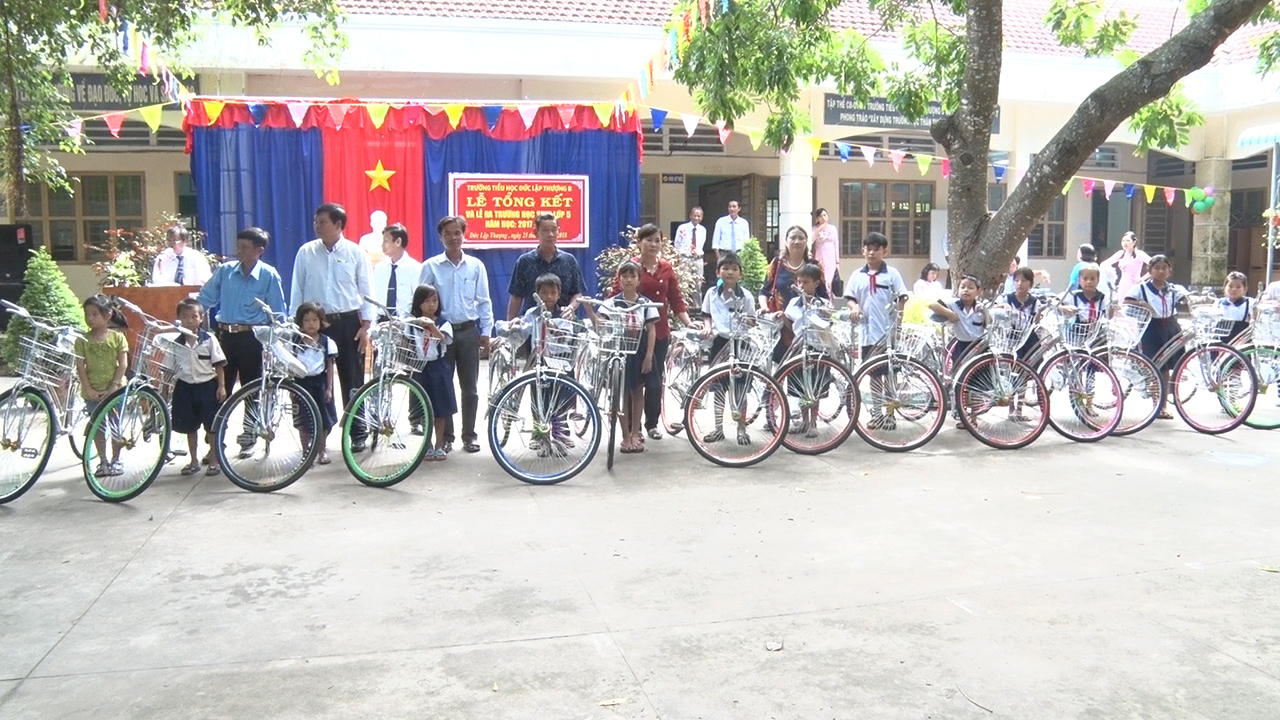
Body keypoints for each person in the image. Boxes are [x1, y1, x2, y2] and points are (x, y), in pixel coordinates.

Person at [196, 227, 287, 456]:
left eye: (245, 247)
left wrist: (277, 344)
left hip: (253, 339)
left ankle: (248, 438)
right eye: (238, 246)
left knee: (251, 390)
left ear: (259, 250)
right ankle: (216, 444)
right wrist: (190, 320)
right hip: (225, 337)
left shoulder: (268, 275)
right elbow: (205, 299)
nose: (240, 251)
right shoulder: (225, 271)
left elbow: (277, 313)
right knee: (219, 390)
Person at [292, 203, 375, 450]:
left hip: (347, 323)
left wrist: (366, 327)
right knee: (316, 381)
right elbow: (297, 289)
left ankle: (357, 432)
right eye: (315, 222)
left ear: (338, 225)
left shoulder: (356, 253)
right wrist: (295, 326)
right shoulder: (306, 252)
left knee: (353, 379)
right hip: (314, 326)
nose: (317, 226)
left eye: (322, 222)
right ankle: (319, 436)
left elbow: (367, 292)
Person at [419, 215, 493, 454]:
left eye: (457, 233)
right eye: (447, 234)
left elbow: (484, 301)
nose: (453, 237)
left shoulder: (476, 266)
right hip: (441, 334)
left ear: (464, 234)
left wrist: (486, 331)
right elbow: (420, 301)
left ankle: (469, 435)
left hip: (469, 332)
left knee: (470, 388)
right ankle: (446, 437)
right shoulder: (430, 266)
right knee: (443, 386)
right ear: (440, 237)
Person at [614, 224, 693, 442]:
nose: (653, 244)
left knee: (654, 382)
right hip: (632, 335)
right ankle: (633, 428)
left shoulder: (666, 268)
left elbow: (675, 299)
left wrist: (688, 322)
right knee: (633, 383)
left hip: (659, 332)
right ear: (639, 242)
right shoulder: (630, 267)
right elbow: (615, 295)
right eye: (648, 240)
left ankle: (652, 424)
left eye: (657, 240)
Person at [602, 261, 659, 454]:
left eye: (632, 276)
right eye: (624, 276)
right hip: (618, 351)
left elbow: (651, 331)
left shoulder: (646, 304)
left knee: (637, 393)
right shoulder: (611, 303)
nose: (628, 280)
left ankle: (636, 433)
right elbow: (601, 323)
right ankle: (625, 436)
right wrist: (592, 313)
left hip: (639, 351)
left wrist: (649, 356)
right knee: (621, 394)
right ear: (618, 279)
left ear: (639, 280)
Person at [699, 253, 754, 444]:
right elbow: (706, 314)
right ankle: (718, 429)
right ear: (718, 272)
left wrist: (746, 320)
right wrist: (707, 326)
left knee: (740, 388)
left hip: (741, 343)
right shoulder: (711, 294)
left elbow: (753, 320)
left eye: (734, 269)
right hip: (719, 342)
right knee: (718, 387)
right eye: (725, 268)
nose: (730, 272)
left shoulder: (746, 296)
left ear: (740, 274)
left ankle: (741, 429)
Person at [1125, 254, 1186, 420]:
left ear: (1170, 271)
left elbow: (1187, 299)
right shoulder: (1141, 288)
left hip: (1170, 328)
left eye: (1164, 268)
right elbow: (1127, 301)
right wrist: (1142, 304)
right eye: (1157, 268)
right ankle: (1158, 404)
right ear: (1149, 270)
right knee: (1156, 367)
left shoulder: (1174, 289)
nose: (1160, 271)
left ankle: (1162, 404)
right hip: (1150, 329)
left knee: (1167, 368)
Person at [170, 299, 226, 477]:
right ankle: (193, 460)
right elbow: (168, 369)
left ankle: (214, 461)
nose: (189, 321)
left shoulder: (209, 339)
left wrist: (221, 387)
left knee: (212, 426)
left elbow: (219, 365)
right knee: (189, 427)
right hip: (184, 389)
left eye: (194, 317)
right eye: (184, 317)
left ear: (201, 318)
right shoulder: (175, 343)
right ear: (179, 318)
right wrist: (164, 392)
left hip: (207, 387)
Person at [75, 295, 129, 478]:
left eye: (94, 314)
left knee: (115, 425)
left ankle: (117, 459)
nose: (90, 318)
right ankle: (103, 461)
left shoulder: (118, 338)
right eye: (87, 314)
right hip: (93, 392)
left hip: (115, 391)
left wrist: (114, 386)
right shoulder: (82, 340)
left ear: (108, 315)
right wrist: (88, 388)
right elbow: (80, 366)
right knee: (97, 426)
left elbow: (123, 364)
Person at [761, 225, 829, 363]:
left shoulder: (814, 265)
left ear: (806, 242)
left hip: (809, 329)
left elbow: (823, 296)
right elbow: (764, 291)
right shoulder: (777, 264)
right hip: (781, 326)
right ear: (786, 241)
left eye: (801, 238)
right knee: (784, 367)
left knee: (810, 366)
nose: (797, 241)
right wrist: (765, 308)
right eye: (793, 238)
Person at [507, 213, 589, 321]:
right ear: (536, 232)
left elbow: (577, 293)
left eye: (554, 230)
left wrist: (571, 308)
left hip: (563, 324)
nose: (550, 234)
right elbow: (516, 296)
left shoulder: (569, 261)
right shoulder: (525, 261)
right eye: (545, 230)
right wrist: (509, 324)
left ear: (559, 231)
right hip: (533, 324)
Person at [783, 263, 833, 438]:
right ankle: (804, 421)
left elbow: (828, 322)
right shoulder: (793, 303)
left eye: (806, 282)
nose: (802, 286)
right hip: (799, 348)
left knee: (815, 387)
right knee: (800, 386)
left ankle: (813, 423)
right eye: (800, 282)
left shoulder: (823, 304)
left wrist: (824, 314)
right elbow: (788, 321)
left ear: (816, 283)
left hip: (818, 349)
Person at [843, 232, 908, 364]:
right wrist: (855, 307)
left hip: (886, 331)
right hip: (866, 332)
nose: (872, 253)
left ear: (885, 252)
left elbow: (901, 299)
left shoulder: (892, 274)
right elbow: (850, 298)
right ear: (863, 251)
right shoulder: (857, 275)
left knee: (889, 367)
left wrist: (898, 327)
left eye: (876, 249)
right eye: (868, 249)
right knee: (870, 368)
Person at [409, 284, 456, 462]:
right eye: (426, 301)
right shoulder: (412, 324)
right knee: (423, 407)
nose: (431, 305)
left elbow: (444, 339)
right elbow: (407, 341)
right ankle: (427, 445)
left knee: (440, 408)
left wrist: (431, 327)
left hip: (439, 367)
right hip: (420, 368)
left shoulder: (443, 323)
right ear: (418, 304)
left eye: (434, 301)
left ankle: (439, 444)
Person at [930, 275, 985, 427]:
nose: (966, 290)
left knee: (977, 384)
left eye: (970, 287)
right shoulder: (953, 304)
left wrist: (986, 312)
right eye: (963, 287)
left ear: (978, 291)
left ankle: (974, 416)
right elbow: (932, 305)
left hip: (979, 348)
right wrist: (949, 314)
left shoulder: (981, 308)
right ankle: (963, 416)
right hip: (961, 348)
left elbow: (990, 324)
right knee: (962, 383)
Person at [292, 302, 339, 465]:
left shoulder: (327, 342)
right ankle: (306, 452)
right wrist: (291, 388)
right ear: (300, 322)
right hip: (301, 383)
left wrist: (329, 388)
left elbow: (330, 366)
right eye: (306, 320)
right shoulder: (294, 342)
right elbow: (290, 365)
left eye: (314, 320)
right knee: (303, 420)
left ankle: (321, 450)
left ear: (321, 322)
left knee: (324, 419)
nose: (310, 324)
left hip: (320, 384)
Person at [372, 222, 421, 319]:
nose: (382, 246)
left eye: (386, 241)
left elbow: (417, 301)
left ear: (398, 242)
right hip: (381, 321)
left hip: (404, 321)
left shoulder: (415, 269)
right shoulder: (379, 268)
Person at [1003, 266, 1041, 363]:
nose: (1020, 283)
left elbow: (1036, 322)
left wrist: (1040, 312)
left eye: (1024, 281)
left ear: (1030, 283)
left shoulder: (1034, 301)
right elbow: (996, 307)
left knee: (1033, 362)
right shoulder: (1008, 299)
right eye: (1017, 280)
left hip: (1029, 337)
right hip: (1012, 337)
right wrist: (1003, 306)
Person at [1102, 231, 1150, 299]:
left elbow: (1154, 264)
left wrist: (1142, 279)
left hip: (1135, 285)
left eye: (1128, 241)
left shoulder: (1139, 254)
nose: (1125, 243)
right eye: (1123, 241)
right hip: (1123, 285)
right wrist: (1110, 275)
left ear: (1134, 242)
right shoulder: (1121, 254)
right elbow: (1104, 264)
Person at [1218, 271, 1254, 344]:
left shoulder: (1249, 303)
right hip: (1221, 339)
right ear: (1224, 288)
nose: (1234, 289)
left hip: (1241, 340)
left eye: (1238, 287)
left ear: (1245, 289)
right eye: (1230, 286)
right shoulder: (1219, 303)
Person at [811, 208, 840, 293]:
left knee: (830, 280)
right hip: (820, 256)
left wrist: (837, 262)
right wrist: (818, 230)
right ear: (817, 218)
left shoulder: (833, 228)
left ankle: (830, 298)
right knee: (822, 278)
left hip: (831, 257)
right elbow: (811, 241)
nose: (823, 218)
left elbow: (836, 245)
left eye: (825, 215)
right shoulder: (814, 229)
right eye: (820, 216)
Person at [673, 206, 707, 270]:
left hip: (698, 260)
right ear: (690, 216)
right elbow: (677, 244)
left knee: (699, 276)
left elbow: (701, 245)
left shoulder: (703, 230)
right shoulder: (682, 228)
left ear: (702, 218)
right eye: (694, 216)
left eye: (699, 216)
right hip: (685, 259)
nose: (696, 218)